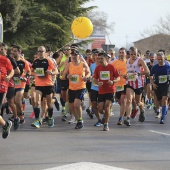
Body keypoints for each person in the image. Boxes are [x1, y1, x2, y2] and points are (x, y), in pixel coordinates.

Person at [62, 49, 91, 129]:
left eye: (75, 55)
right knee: (71, 107)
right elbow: (64, 75)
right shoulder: (69, 64)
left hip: (81, 87)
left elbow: (89, 72)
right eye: (72, 55)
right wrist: (67, 76)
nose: (74, 57)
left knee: (76, 104)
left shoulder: (83, 64)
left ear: (79, 56)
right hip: (71, 88)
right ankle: (79, 120)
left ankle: (80, 120)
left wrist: (86, 77)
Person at [31, 46, 58, 128]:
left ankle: (50, 117)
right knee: (37, 102)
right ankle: (37, 120)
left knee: (49, 104)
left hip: (48, 84)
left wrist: (51, 72)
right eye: (38, 51)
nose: (40, 53)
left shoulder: (48, 61)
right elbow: (31, 71)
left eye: (41, 51)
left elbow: (56, 71)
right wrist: (36, 73)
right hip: (39, 84)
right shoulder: (35, 61)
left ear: (45, 52)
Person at [94, 52, 120, 131]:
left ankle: (106, 124)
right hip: (102, 90)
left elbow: (118, 78)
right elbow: (95, 79)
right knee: (100, 109)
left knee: (107, 106)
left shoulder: (111, 67)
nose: (100, 60)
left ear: (106, 58)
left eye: (102, 58)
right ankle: (105, 115)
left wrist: (113, 82)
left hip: (110, 90)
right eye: (99, 59)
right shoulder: (97, 68)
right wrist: (98, 83)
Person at [124, 47, 150, 126]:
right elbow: (128, 72)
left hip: (138, 84)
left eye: (134, 54)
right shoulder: (127, 61)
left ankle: (142, 110)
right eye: (131, 54)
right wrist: (125, 76)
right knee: (129, 100)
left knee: (138, 102)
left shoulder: (140, 60)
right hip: (130, 83)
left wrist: (138, 74)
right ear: (129, 54)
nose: (133, 55)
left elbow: (147, 71)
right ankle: (128, 118)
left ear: (137, 53)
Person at [150, 52, 170, 124]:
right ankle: (165, 108)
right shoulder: (155, 67)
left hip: (166, 85)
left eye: (161, 59)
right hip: (158, 86)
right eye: (158, 59)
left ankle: (162, 117)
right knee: (160, 102)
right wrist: (153, 83)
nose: (160, 61)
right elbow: (151, 76)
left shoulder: (168, 67)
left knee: (165, 99)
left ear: (164, 58)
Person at [0, 53, 14, 138]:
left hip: (1, 88)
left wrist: (8, 76)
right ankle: (5, 124)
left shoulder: (4, 60)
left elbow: (12, 70)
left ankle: (5, 125)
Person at [112, 47, 127, 125]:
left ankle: (120, 118)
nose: (121, 54)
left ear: (125, 53)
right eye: (120, 52)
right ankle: (124, 110)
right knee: (120, 101)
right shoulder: (115, 62)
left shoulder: (128, 62)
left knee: (123, 99)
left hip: (126, 84)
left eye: (123, 52)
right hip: (117, 84)